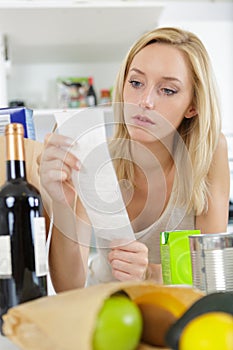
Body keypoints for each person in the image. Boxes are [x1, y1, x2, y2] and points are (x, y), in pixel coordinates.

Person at [38, 27, 230, 292]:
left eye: (168, 90)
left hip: (174, 314)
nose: (145, 101)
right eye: (136, 83)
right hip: (104, 308)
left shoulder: (209, 152)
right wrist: (61, 204)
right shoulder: (92, 152)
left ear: (193, 105)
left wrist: (149, 274)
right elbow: (69, 286)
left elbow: (210, 280)